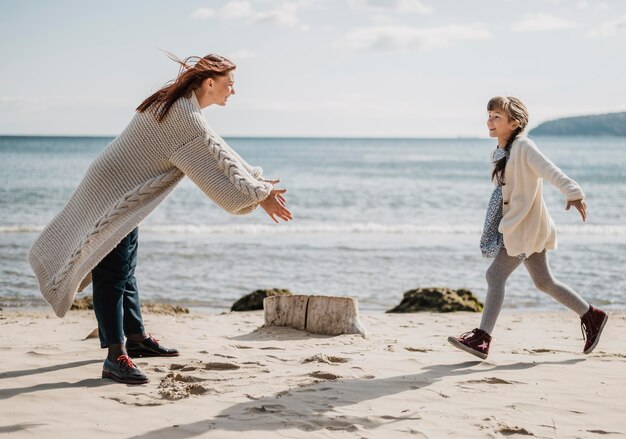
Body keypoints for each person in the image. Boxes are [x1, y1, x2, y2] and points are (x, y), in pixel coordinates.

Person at [28, 52, 292, 384]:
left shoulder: (179, 104)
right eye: (230, 84)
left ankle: (135, 338)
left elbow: (217, 150)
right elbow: (215, 170)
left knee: (125, 267)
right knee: (112, 273)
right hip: (115, 192)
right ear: (210, 83)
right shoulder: (184, 116)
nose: (234, 91)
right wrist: (258, 193)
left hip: (118, 186)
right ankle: (115, 356)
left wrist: (259, 186)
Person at [448, 96, 607, 360]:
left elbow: (551, 171)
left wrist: (573, 193)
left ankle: (483, 338)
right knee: (544, 282)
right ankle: (592, 315)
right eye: (489, 114)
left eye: (497, 116)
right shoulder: (499, 152)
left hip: (525, 227)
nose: (490, 120)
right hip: (522, 225)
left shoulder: (523, 147)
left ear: (515, 122)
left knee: (495, 277)